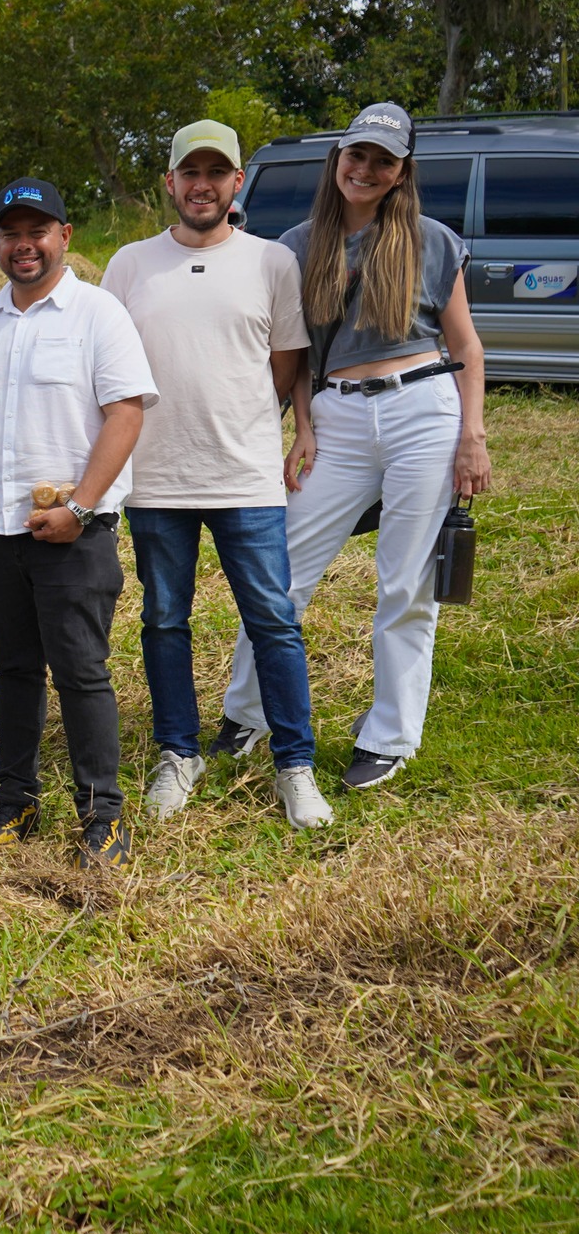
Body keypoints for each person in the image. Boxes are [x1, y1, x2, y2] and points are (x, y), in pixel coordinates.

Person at [220, 102, 490, 789]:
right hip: (336, 414)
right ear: (337, 160)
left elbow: (466, 345)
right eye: (357, 155)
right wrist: (303, 427)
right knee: (279, 574)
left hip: (422, 409)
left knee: (406, 584)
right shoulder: (295, 245)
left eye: (383, 161)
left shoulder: (432, 240)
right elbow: (295, 351)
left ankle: (390, 736)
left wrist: (473, 436)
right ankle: (247, 713)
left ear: (402, 172)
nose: (366, 169)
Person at [104, 120, 333, 829]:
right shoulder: (130, 265)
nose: (201, 186)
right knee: (164, 619)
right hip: (156, 478)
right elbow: (105, 366)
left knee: (273, 620)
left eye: (216, 173)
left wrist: (271, 423)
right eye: (189, 173)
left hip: (246, 475)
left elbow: (287, 363)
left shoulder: (272, 262)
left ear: (237, 182)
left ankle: (294, 764)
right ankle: (179, 752)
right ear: (170, 183)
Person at [0, 179, 158, 867]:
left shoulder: (99, 314)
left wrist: (81, 507)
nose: (24, 245)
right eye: (11, 233)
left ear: (64, 236)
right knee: (13, 667)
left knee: (80, 670)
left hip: (73, 530)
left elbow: (126, 413)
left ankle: (103, 815)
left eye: (37, 231)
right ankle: (16, 799)